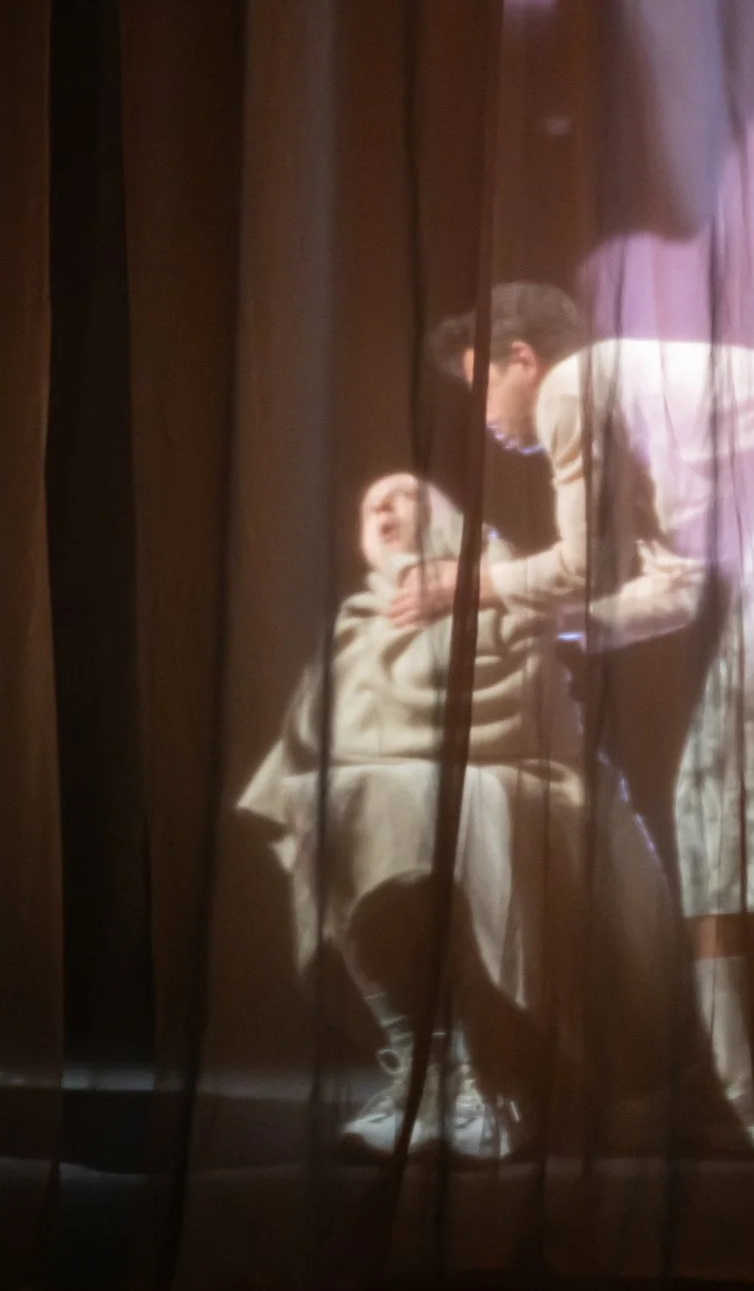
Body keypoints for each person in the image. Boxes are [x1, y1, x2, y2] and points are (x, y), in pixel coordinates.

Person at [392, 283, 754, 1150]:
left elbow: (585, 565)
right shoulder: (648, 410)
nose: (488, 421)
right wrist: (534, 619)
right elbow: (671, 587)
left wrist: (467, 584)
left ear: (523, 358)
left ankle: (746, 1100)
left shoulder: (572, 386)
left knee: (716, 817)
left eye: (483, 390)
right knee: (740, 830)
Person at [238, 473, 641, 1160]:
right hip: (390, 788)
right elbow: (310, 738)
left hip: (521, 776)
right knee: (333, 803)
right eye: (369, 505)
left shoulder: (508, 586)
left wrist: (477, 589)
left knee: (436, 798)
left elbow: (520, 711)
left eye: (402, 495)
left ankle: (489, 1075)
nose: (382, 508)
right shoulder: (358, 618)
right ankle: (426, 1070)